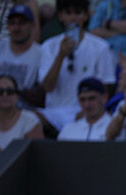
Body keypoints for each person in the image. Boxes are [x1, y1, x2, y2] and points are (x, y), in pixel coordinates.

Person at [37, 0, 117, 132]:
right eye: (68, 13)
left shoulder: (101, 47)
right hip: (53, 113)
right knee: (28, 117)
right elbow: (47, 87)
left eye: (78, 13)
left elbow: (105, 88)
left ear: (86, 16)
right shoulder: (48, 46)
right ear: (60, 16)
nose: (73, 18)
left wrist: (88, 111)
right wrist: (60, 56)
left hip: (86, 111)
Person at [0, 5, 43, 108]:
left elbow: (42, 95)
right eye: (12, 23)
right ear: (7, 26)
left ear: (33, 26)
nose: (16, 28)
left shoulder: (40, 53)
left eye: (21, 23)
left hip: (23, 109)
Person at [0, 74, 42, 162]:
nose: (5, 95)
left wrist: (2, 156)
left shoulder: (30, 121)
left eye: (10, 91)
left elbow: (36, 159)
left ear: (17, 97)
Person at [56, 76, 111, 140]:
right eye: (82, 100)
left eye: (92, 98)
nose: (87, 105)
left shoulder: (116, 128)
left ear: (104, 98)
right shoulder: (68, 130)